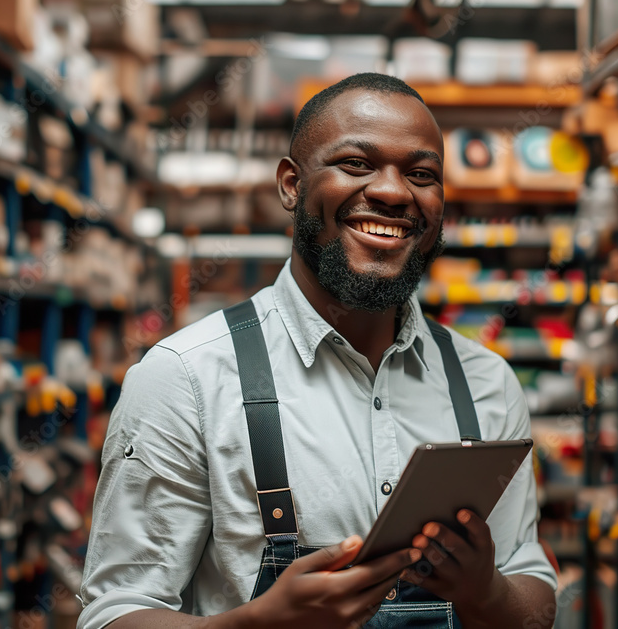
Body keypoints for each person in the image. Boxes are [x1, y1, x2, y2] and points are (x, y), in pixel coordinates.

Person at [78, 73, 557, 629]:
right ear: (290, 185)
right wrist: (256, 625)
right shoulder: (186, 378)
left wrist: (487, 592)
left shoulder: (487, 384)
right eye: (356, 164)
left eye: (421, 174)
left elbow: (534, 592)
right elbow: (114, 614)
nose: (394, 192)